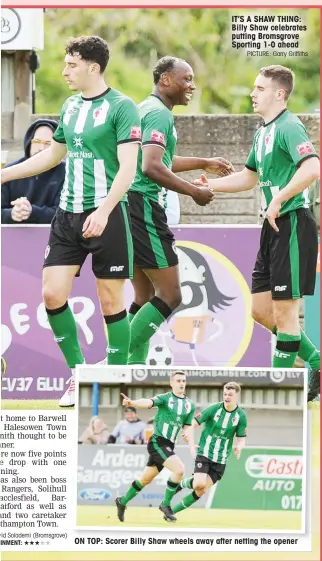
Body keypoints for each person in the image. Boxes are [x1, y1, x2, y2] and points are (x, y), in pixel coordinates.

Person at [1, 36, 141, 408]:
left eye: (71, 65)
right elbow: (51, 157)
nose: (64, 71)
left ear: (93, 68)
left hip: (107, 213)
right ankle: (78, 376)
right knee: (51, 294)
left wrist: (105, 210)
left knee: (112, 301)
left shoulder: (122, 107)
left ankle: (113, 380)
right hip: (67, 215)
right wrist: (4, 175)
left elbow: (129, 168)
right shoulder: (70, 106)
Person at [195, 65, 320, 401]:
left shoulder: (290, 126)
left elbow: (313, 167)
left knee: (285, 313)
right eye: (254, 87)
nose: (253, 93)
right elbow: (249, 178)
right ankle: (315, 359)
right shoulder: (262, 131)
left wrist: (280, 197)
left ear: (279, 94)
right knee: (261, 311)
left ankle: (278, 390)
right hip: (272, 225)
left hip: (292, 222)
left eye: (260, 88)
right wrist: (210, 185)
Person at [127, 56, 235, 367]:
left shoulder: (146, 109)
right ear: (165, 81)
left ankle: (128, 375)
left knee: (144, 298)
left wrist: (203, 162)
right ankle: (112, 360)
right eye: (185, 79)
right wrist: (193, 191)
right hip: (142, 205)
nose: (192, 85)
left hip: (128, 205)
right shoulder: (158, 114)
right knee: (172, 295)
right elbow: (150, 167)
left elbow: (156, 159)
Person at [115, 371, 196, 523]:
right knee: (179, 469)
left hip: (169, 445)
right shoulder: (165, 398)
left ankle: (122, 501)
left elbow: (187, 426)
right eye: (178, 380)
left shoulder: (189, 405)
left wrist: (188, 437)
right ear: (171, 383)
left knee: (145, 480)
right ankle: (165, 505)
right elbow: (149, 402)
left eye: (183, 380)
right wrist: (132, 403)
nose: (181, 383)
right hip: (158, 441)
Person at [166, 382, 247, 521]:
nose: (227, 397)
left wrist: (239, 447)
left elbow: (241, 439)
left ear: (237, 396)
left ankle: (171, 512)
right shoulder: (214, 409)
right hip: (205, 453)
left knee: (201, 490)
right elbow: (193, 423)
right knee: (198, 484)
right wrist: (188, 433)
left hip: (221, 459)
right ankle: (181, 484)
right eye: (225, 394)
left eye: (230, 395)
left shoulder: (241, 415)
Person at [1, 119, 65, 224]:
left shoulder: (66, 173)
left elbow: (64, 214)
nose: (41, 148)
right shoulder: (10, 170)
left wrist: (32, 211)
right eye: (37, 141)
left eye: (48, 143)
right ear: (29, 142)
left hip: (53, 236)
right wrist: (12, 213)